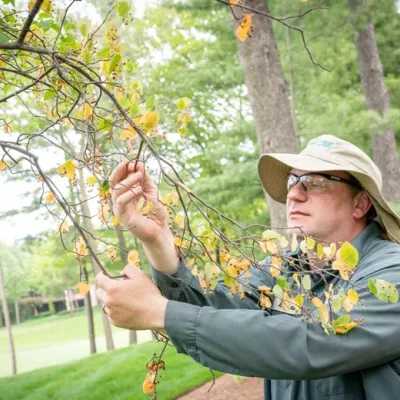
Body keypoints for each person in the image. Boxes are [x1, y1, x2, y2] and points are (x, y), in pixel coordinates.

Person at [95, 135, 400, 400]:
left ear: (361, 203)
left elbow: (306, 342)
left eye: (315, 182)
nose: (293, 193)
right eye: (293, 181)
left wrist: (158, 313)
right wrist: (158, 240)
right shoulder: (282, 271)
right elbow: (215, 307)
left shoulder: (390, 275)